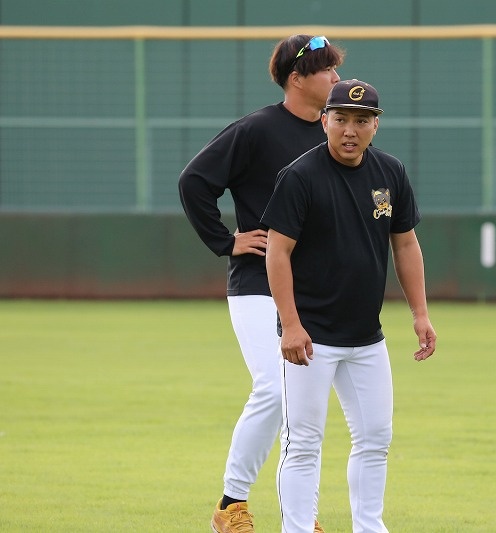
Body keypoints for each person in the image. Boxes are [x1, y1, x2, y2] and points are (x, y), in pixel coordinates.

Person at [178, 34, 345, 533]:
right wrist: (225, 240)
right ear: (297, 78)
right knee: (275, 388)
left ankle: (301, 517)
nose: (336, 77)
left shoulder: (337, 132)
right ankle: (231, 506)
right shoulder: (256, 129)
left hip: (313, 290)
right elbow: (194, 181)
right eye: (327, 69)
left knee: (305, 404)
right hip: (256, 282)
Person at [261, 79, 437, 533]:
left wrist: (419, 313)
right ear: (325, 121)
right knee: (303, 443)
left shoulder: (390, 172)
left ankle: (369, 527)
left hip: (366, 337)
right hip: (311, 337)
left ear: (376, 126)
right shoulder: (300, 176)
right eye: (340, 119)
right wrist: (290, 325)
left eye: (362, 120)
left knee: (376, 438)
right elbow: (277, 252)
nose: (350, 130)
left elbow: (405, 244)